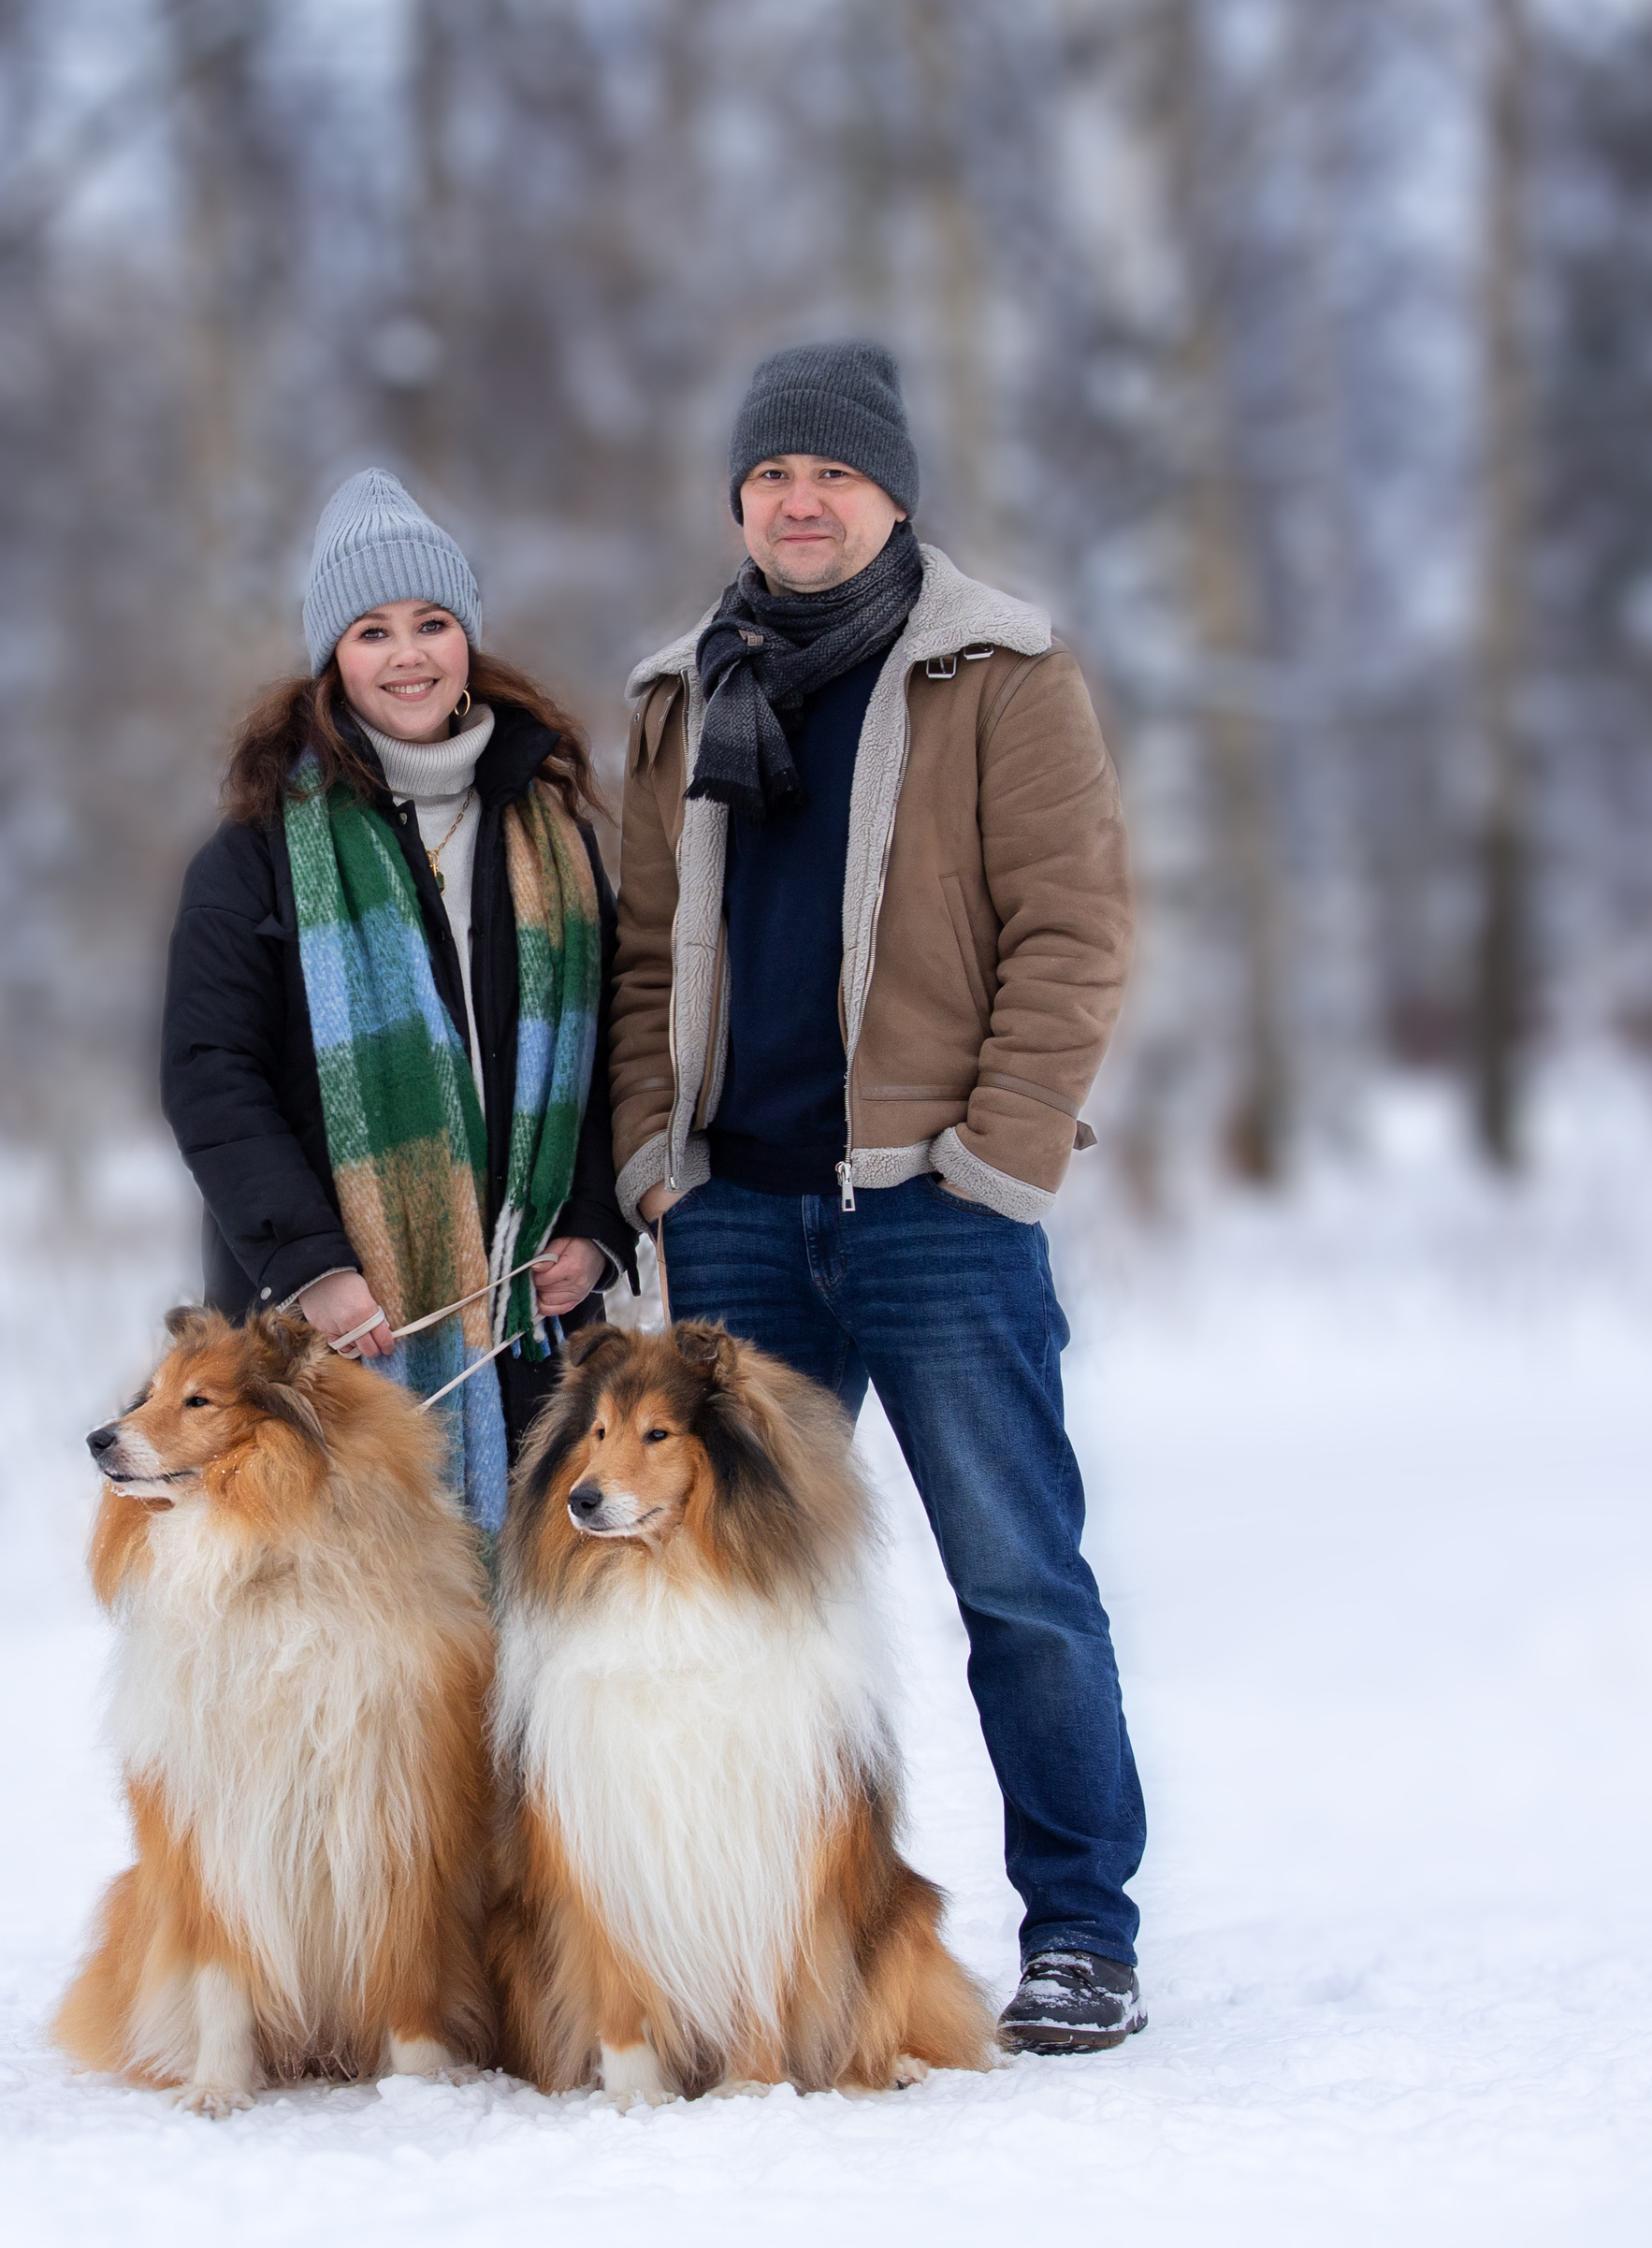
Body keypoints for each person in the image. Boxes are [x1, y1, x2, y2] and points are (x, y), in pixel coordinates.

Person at [609, 341, 1149, 2052]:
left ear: (895, 492)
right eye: (773, 476)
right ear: (738, 502)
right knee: (733, 1599)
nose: (802, 501)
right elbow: (641, 962)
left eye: (834, 473)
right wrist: (651, 1161)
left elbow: (1073, 935)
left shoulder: (1000, 671)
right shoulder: (681, 694)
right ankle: (772, 1926)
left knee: (1017, 1584)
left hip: (933, 1205)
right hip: (738, 1220)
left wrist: (996, 1156)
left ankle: (1079, 1931)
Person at [162, 468, 635, 1530]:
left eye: (431, 621)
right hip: (341, 1334)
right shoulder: (256, 856)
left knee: (534, 1645)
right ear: (332, 657)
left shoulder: (549, 833)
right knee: (374, 1647)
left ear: (468, 637)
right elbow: (209, 1076)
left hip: (527, 1319)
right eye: (372, 630)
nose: (408, 654)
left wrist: (597, 1226)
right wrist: (311, 1267)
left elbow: (609, 1047)